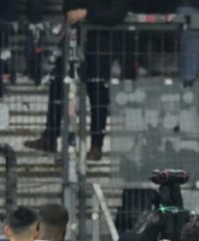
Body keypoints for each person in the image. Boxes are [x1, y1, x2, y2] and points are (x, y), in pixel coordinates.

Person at [24, 1, 131, 161]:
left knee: (97, 92)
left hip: (101, 40)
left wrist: (86, 14)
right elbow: (68, 6)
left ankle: (96, 145)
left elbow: (116, 13)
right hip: (75, 39)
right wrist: (74, 15)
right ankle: (50, 135)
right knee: (58, 83)